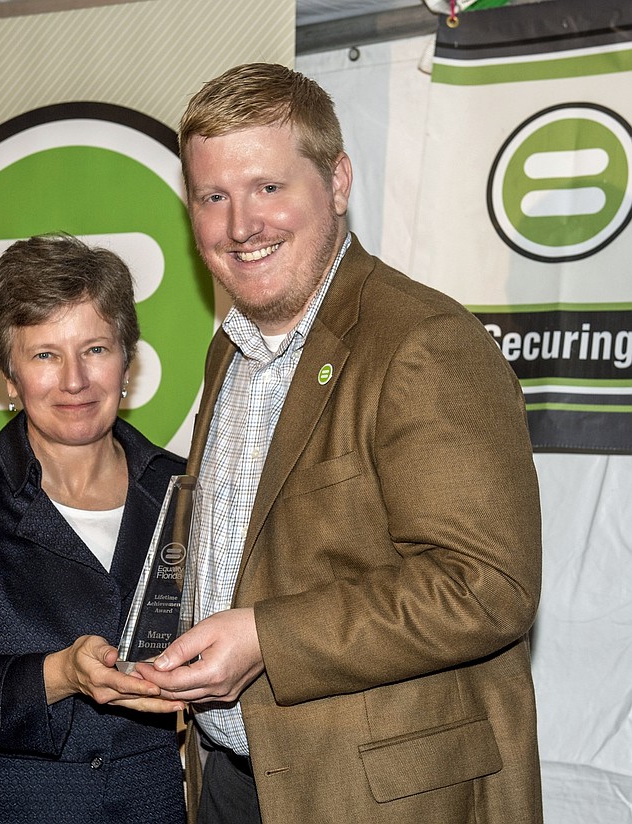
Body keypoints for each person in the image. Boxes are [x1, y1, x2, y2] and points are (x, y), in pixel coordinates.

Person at [138, 63, 543, 824]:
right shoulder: (228, 349)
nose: (239, 226)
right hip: (232, 777)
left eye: (268, 188)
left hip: (380, 797)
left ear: (338, 180)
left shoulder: (423, 342)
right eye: (212, 196)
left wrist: (264, 635)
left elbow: (486, 587)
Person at [0, 233, 186, 824]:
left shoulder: (186, 489)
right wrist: (60, 674)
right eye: (45, 355)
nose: (75, 380)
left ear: (128, 358)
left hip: (148, 807)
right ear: (10, 378)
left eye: (95, 349)